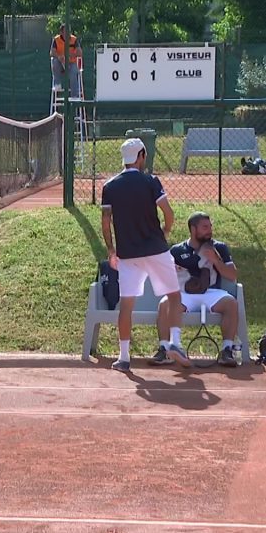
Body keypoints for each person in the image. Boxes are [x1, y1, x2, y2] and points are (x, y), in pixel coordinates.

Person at [100, 138, 188, 372]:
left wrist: (111, 250)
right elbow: (168, 213)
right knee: (174, 296)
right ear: (141, 155)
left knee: (126, 305)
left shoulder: (110, 186)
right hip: (156, 249)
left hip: (128, 254)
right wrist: (166, 232)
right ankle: (175, 343)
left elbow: (105, 222)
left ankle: (124, 357)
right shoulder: (150, 181)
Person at [151, 212, 240, 368]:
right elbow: (160, 274)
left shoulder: (219, 247)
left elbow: (232, 275)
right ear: (193, 229)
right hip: (185, 294)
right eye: (205, 227)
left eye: (210, 227)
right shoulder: (177, 250)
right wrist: (171, 269)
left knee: (231, 303)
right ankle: (166, 349)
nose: (209, 230)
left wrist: (215, 260)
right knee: (165, 303)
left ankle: (227, 351)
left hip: (212, 293)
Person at [50, 24, 82, 97]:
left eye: (69, 31)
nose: (68, 33)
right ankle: (57, 84)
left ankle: (74, 97)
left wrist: (71, 55)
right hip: (60, 64)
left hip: (72, 63)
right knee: (54, 61)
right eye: (65, 31)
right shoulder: (56, 40)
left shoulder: (74, 39)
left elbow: (80, 52)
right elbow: (52, 52)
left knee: (73, 73)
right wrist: (59, 57)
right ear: (61, 32)